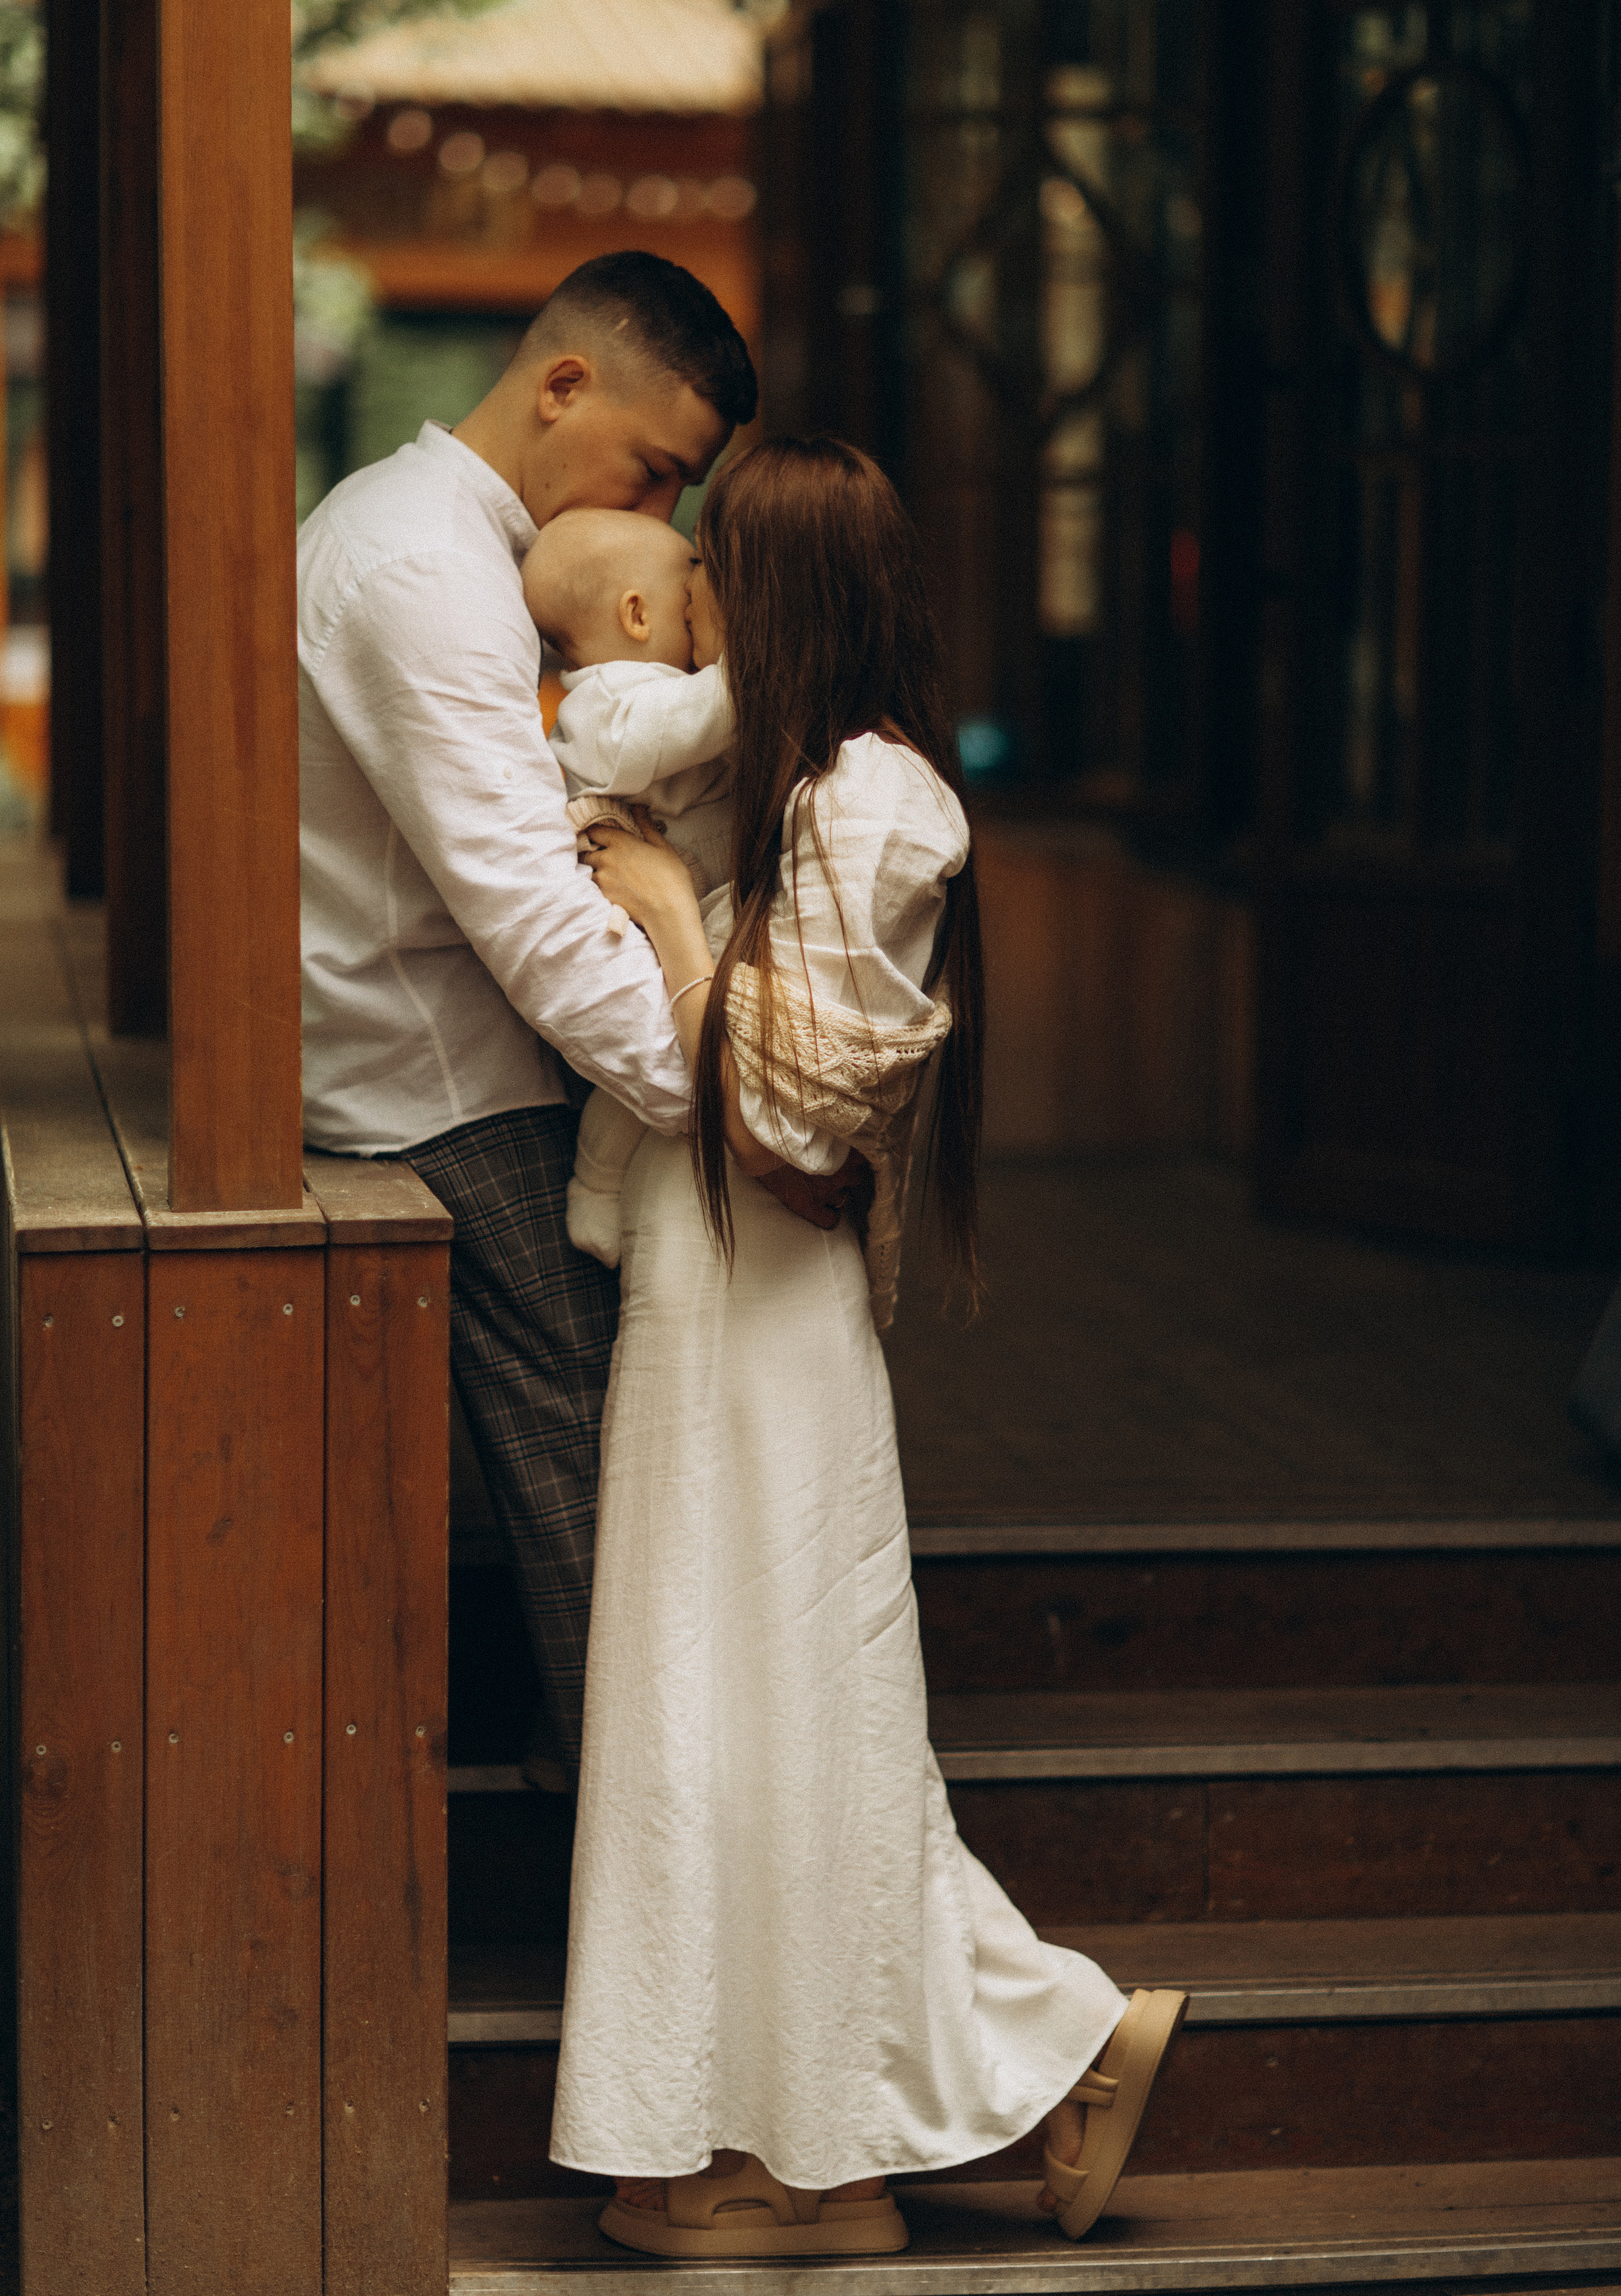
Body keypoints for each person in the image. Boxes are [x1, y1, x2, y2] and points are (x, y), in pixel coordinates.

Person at [549, 437, 1185, 2255]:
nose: (688, 613)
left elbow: (775, 1120)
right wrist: (685, 710)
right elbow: (595, 738)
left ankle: (1002, 2063)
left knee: (779, 1716)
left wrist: (666, 914)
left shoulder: (878, 804)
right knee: (724, 1719)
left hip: (767, 1311)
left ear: (784, 600)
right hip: (706, 1296)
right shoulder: (782, 772)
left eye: (719, 577)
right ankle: (789, 2157)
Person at [296, 251, 852, 1788]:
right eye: (659, 467)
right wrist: (733, 1089)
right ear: (560, 384)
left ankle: (642, 1826)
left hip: (476, 1052)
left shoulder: (451, 552)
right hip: (438, 1083)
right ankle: (657, 1843)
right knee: (621, 1468)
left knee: (651, 1453)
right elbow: (534, 909)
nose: (662, 524)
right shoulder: (422, 571)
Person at [522, 505, 734, 1267]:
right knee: (635, 1087)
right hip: (645, 925)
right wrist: (761, 661)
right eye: (691, 594)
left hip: (694, 895)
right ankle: (596, 1187)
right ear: (638, 615)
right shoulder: (609, 702)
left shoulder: (646, 688)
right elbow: (696, 722)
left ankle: (602, 1185)